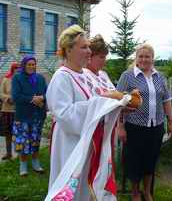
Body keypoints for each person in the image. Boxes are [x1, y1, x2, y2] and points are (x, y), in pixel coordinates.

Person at [46, 25, 128, 201]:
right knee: (72, 188)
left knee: (86, 188)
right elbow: (66, 116)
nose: (89, 51)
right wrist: (100, 103)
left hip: (90, 143)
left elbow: (99, 102)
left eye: (89, 47)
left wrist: (117, 103)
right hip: (70, 145)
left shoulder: (85, 75)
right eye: (83, 47)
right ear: (68, 50)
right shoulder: (62, 77)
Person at [116, 43, 172, 201]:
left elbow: (166, 99)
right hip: (135, 127)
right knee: (135, 161)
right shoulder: (127, 76)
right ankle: (135, 193)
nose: (144, 59)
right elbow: (118, 103)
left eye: (147, 56)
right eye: (141, 56)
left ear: (152, 59)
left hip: (155, 127)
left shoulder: (159, 76)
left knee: (150, 160)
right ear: (136, 58)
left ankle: (147, 192)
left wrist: (170, 121)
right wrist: (120, 126)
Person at [11, 56, 47, 176]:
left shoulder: (40, 78)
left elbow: (47, 93)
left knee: (35, 141)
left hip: (37, 115)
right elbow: (16, 96)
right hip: (23, 116)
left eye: (33, 64)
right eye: (29, 64)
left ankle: (36, 164)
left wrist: (42, 98)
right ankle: (23, 166)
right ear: (24, 65)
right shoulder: (17, 78)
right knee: (23, 142)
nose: (31, 66)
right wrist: (33, 99)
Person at [0, 62, 19, 160]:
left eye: (19, 68)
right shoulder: (6, 79)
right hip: (7, 110)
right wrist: (8, 99)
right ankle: (8, 153)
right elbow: (1, 93)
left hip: (18, 111)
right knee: (8, 133)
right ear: (12, 69)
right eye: (15, 68)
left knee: (19, 134)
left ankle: (20, 154)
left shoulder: (22, 79)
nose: (17, 69)